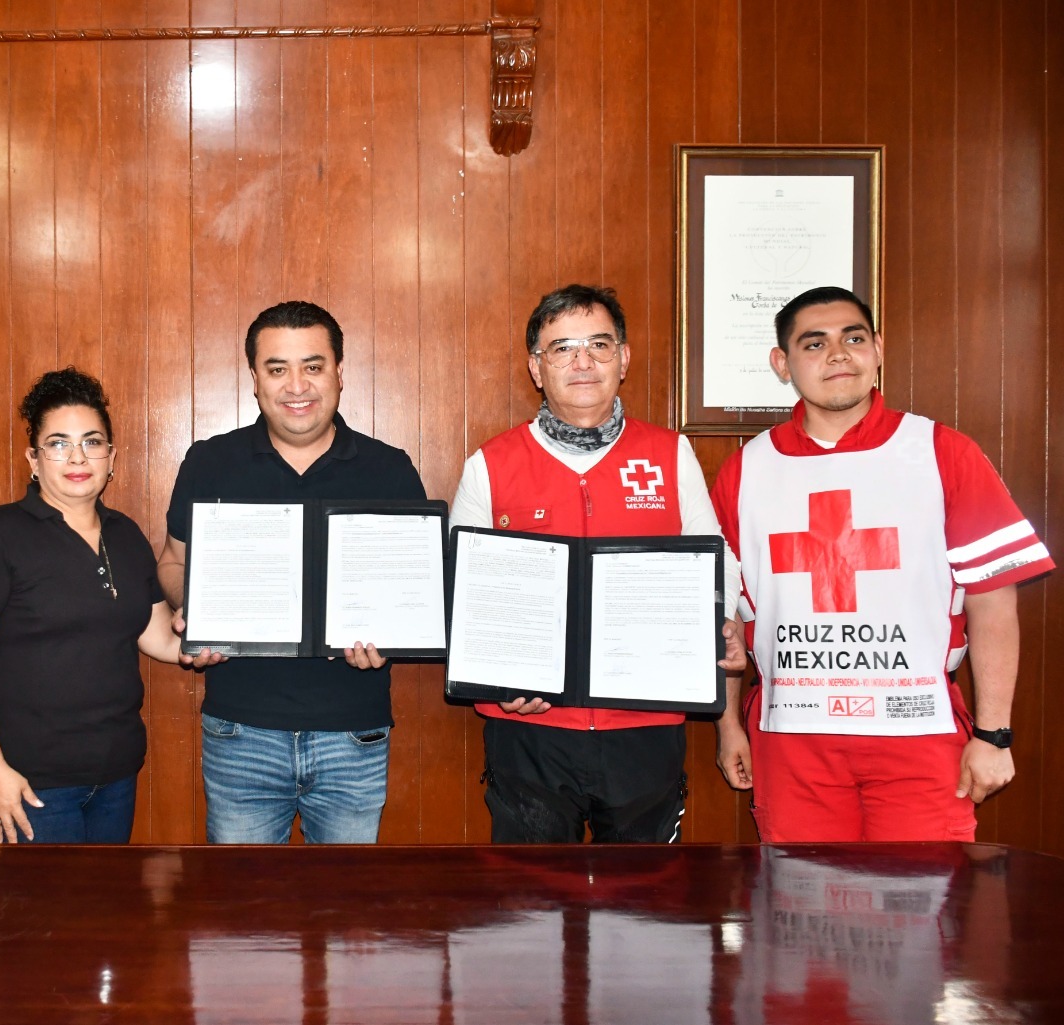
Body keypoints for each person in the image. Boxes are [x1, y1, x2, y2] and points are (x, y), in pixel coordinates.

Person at [710, 285, 1053, 842]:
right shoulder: (746, 469)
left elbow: (992, 600)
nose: (839, 354)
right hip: (791, 735)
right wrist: (727, 726)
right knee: (799, 915)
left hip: (917, 728)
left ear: (878, 349)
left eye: (853, 338)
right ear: (782, 363)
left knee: (926, 910)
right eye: (814, 343)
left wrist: (994, 736)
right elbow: (726, 611)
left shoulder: (942, 452)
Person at [450, 283, 744, 843]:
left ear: (624, 358)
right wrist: (497, 676)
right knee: (527, 905)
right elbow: (465, 593)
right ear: (536, 367)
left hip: (646, 723)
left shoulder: (670, 453)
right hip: (531, 727)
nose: (582, 362)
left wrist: (718, 623)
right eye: (561, 348)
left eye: (599, 345)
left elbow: (715, 564)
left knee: (642, 909)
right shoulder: (491, 463)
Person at [157, 300, 427, 844]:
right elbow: (172, 561)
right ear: (255, 378)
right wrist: (197, 612)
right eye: (277, 368)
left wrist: (393, 634)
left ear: (339, 373)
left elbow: (415, 591)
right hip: (241, 731)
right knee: (244, 923)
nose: (296, 385)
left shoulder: (389, 468)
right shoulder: (210, 462)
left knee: (351, 918)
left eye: (313, 365)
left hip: (354, 731)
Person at [0, 368, 219, 844]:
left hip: (114, 774)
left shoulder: (124, 535)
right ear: (34, 458)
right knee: (36, 920)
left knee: (101, 916)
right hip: (27, 782)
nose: (77, 457)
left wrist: (207, 638)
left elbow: (156, 635)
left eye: (91, 442)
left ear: (112, 456)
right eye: (59, 443)